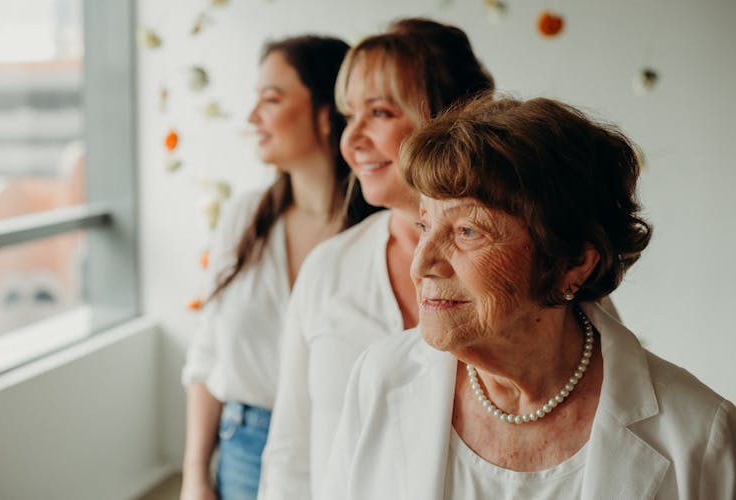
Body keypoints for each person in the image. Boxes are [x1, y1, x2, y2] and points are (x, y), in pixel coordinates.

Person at [322, 94, 736, 499]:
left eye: (468, 231)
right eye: (425, 226)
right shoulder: (379, 378)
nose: (422, 264)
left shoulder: (701, 434)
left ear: (571, 264)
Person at [257, 19, 496, 500]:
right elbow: (289, 453)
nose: (352, 139)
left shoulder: (524, 268)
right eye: (348, 117)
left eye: (380, 113)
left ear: (452, 123)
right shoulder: (328, 269)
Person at [179, 35, 377, 500]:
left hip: (349, 444)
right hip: (245, 446)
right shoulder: (244, 219)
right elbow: (207, 355)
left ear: (327, 114)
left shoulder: (382, 236)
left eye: (271, 99)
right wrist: (194, 474)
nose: (253, 118)